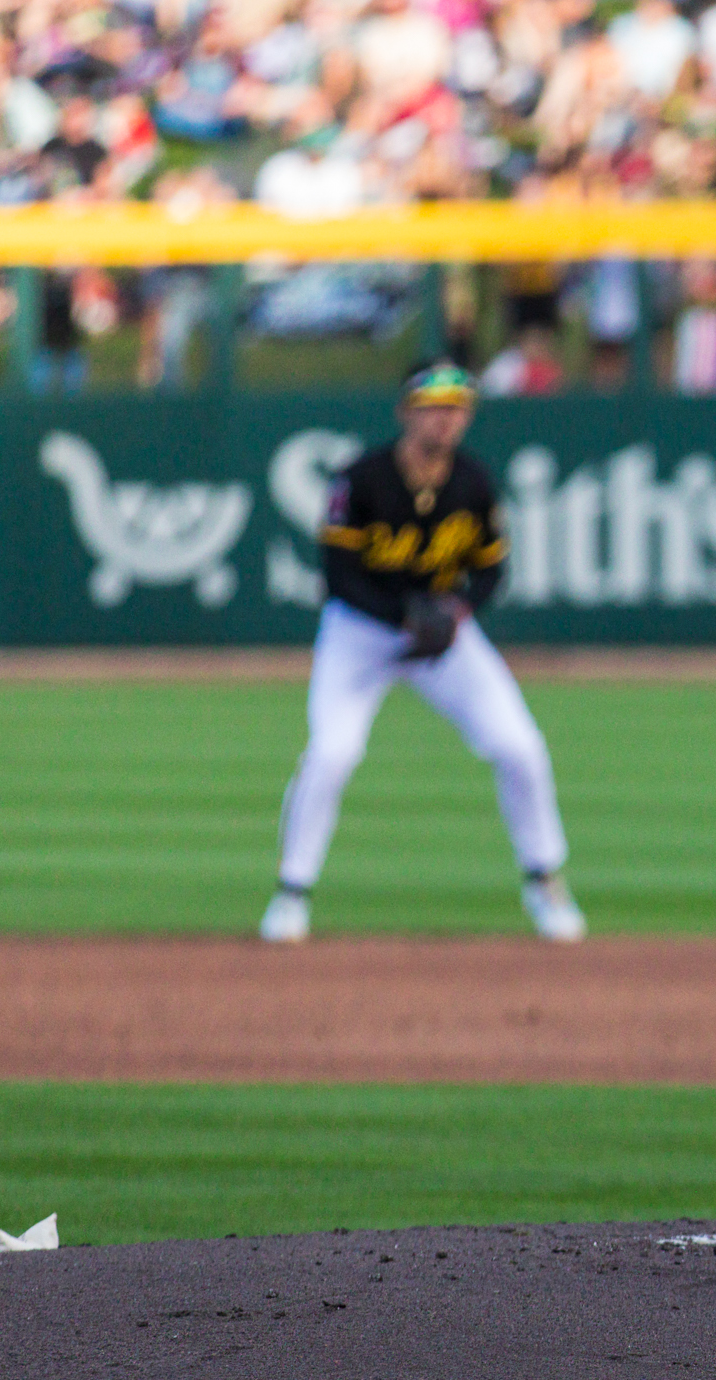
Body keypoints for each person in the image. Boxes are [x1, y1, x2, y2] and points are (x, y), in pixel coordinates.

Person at [259, 362, 585, 945]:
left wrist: (457, 612)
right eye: (434, 405)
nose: (447, 417)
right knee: (333, 753)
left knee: (520, 746)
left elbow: (491, 568)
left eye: (457, 406)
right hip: (361, 636)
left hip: (444, 638)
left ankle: (544, 881)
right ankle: (291, 893)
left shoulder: (474, 482)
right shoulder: (362, 479)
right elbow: (338, 576)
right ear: (406, 412)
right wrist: (404, 617)